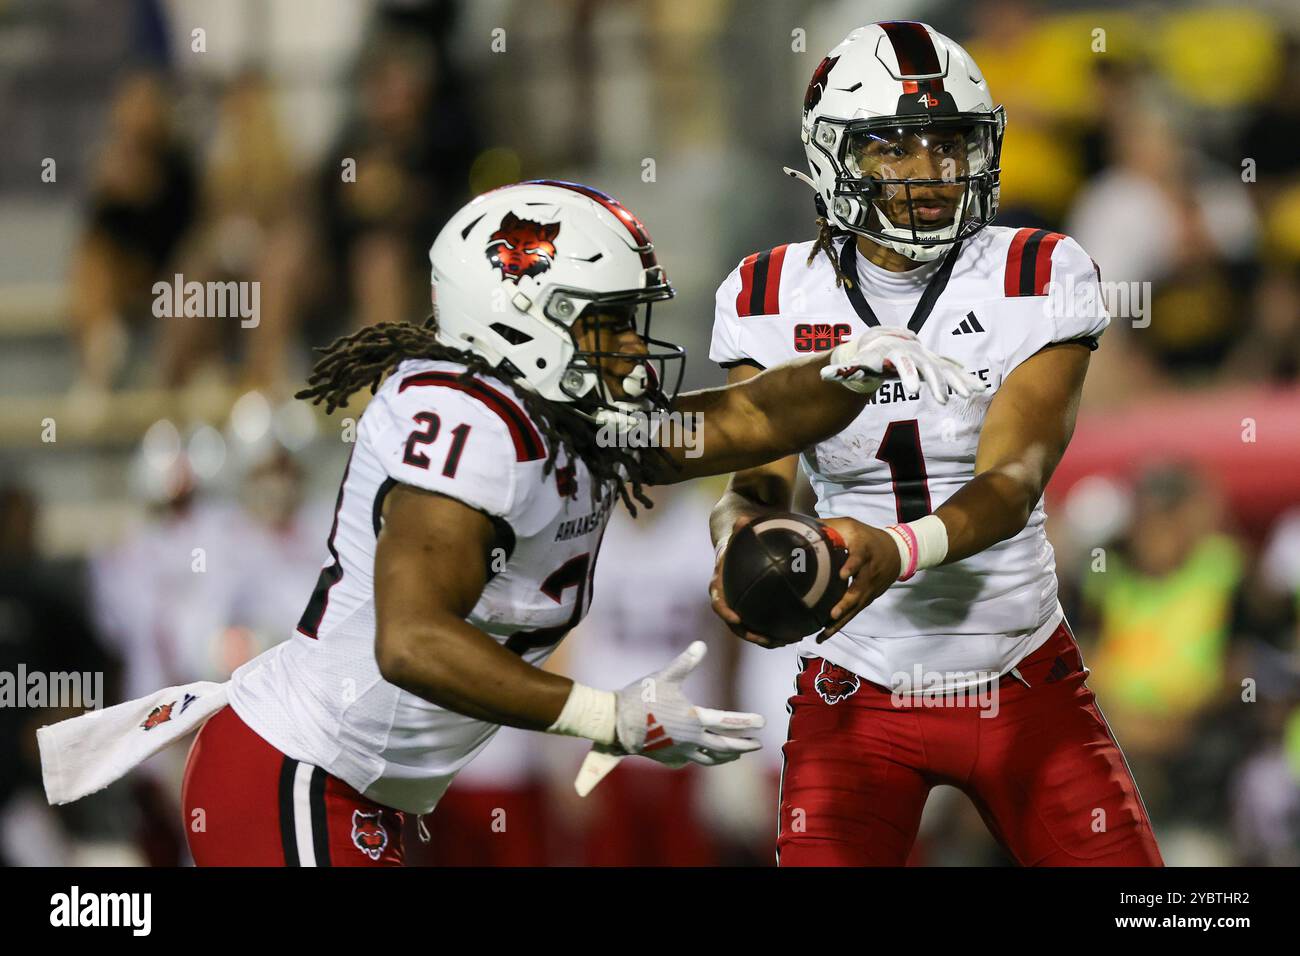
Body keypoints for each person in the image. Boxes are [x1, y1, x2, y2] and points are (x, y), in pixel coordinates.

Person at [165, 179, 975, 865]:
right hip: (298, 768)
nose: (631, 347)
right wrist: (605, 715)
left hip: (362, 786)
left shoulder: (571, 420)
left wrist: (855, 370)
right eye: (609, 322)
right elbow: (410, 641)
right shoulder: (471, 423)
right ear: (524, 318)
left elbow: (747, 419)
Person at [707, 22, 1163, 866]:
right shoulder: (770, 292)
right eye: (895, 147)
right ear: (833, 154)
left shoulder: (1038, 271)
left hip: (1024, 677)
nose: (933, 171)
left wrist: (898, 547)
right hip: (859, 683)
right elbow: (757, 480)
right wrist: (739, 542)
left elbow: (1017, 475)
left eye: (951, 144)